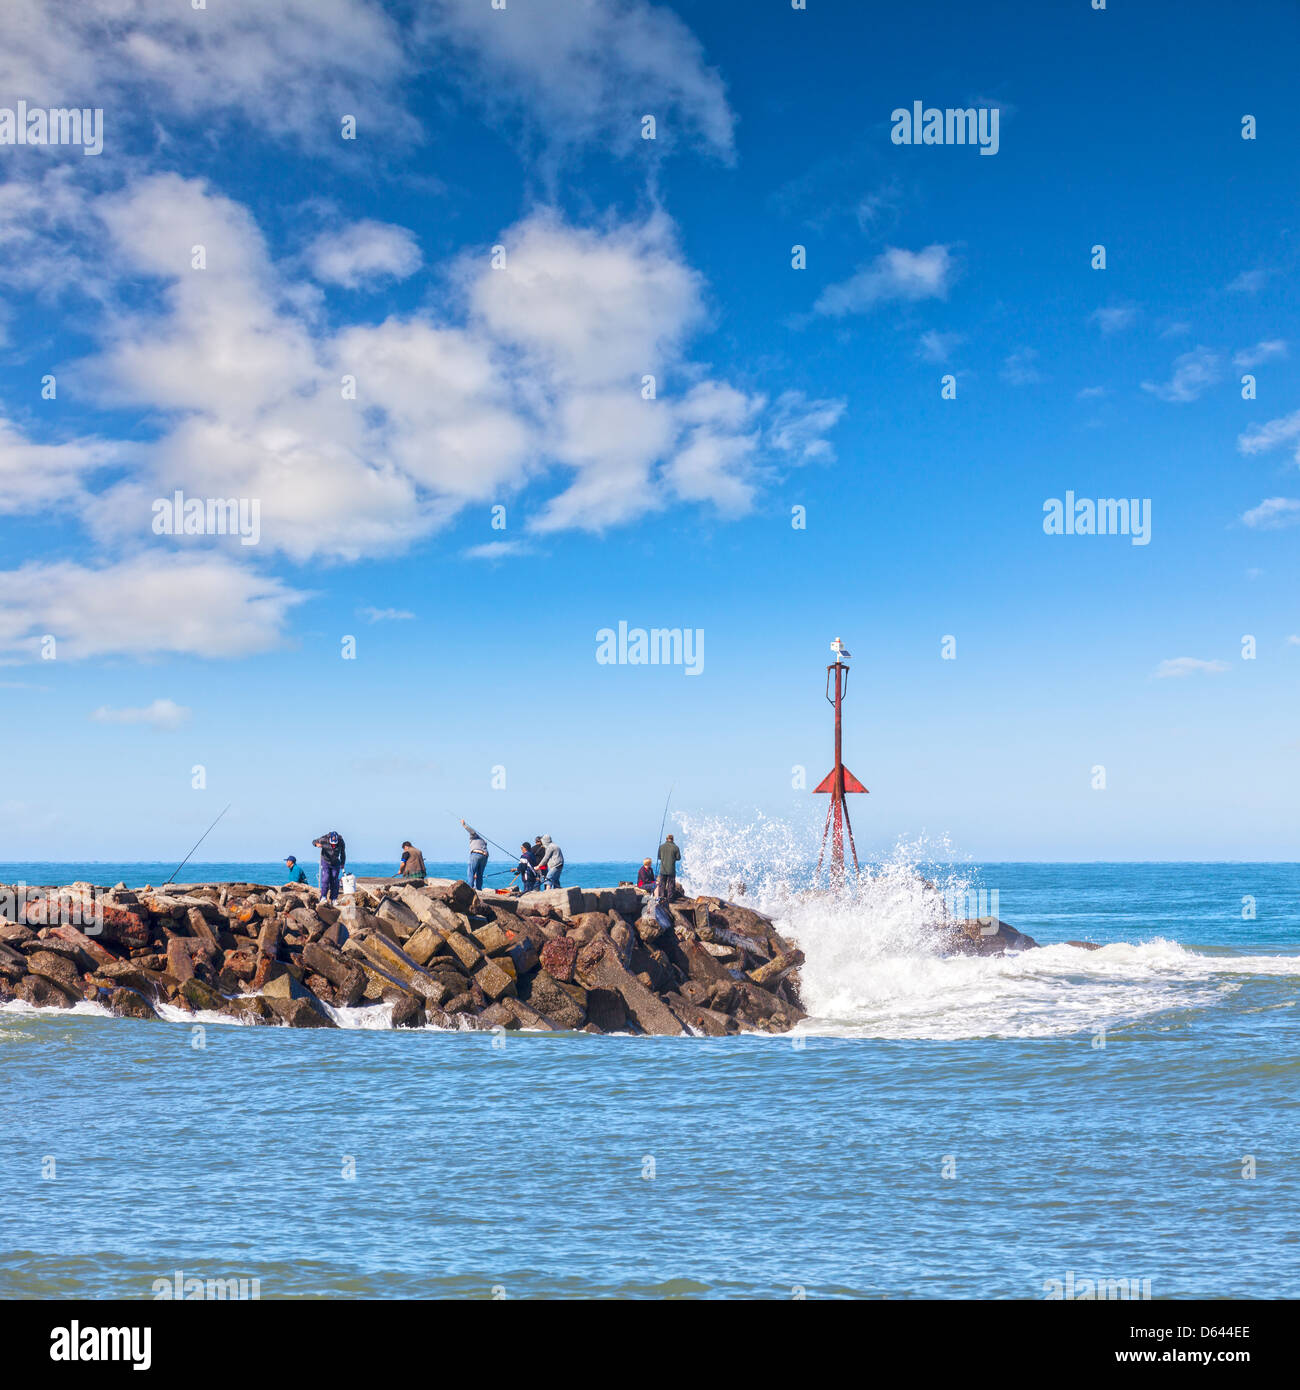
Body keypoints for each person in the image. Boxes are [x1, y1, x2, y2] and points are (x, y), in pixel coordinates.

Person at [312, 830, 347, 903]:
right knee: (326, 878)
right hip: (325, 861)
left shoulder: (341, 841)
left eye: (335, 843)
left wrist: (342, 863)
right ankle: (323, 897)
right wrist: (317, 844)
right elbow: (314, 841)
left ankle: (333, 898)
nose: (333, 845)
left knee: (334, 879)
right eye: (332, 843)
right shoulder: (324, 839)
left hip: (335, 862)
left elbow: (343, 853)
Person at [461, 819, 488, 890]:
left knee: (471, 872)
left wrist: (464, 825)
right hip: (485, 856)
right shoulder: (483, 841)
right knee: (480, 874)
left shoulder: (474, 836)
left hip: (476, 854)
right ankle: (479, 889)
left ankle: (470, 888)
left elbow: (472, 832)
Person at [657, 833, 682, 901]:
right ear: (672, 839)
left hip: (663, 869)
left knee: (662, 884)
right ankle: (670, 898)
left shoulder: (661, 847)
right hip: (671, 869)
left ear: (666, 839)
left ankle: (661, 897)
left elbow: (659, 857)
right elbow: (678, 858)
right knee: (671, 885)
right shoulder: (676, 847)